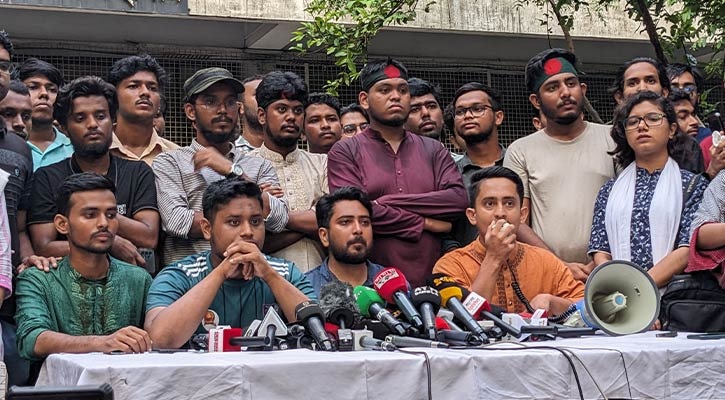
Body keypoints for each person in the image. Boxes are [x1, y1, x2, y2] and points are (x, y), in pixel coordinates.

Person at [327, 58, 467, 287]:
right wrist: (425, 223)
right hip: (371, 284)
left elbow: (458, 200)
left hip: (434, 281)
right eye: (384, 90)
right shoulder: (345, 151)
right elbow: (354, 212)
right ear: (364, 100)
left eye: (402, 90)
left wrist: (386, 202)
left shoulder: (433, 149)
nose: (396, 96)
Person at [144, 178, 315, 349]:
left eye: (256, 221)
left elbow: (318, 333)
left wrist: (269, 275)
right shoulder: (179, 275)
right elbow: (159, 340)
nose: (248, 232)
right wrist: (221, 273)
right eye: (234, 222)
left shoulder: (286, 272)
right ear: (207, 229)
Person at [15, 173, 152, 370]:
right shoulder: (39, 278)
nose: (104, 223)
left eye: (111, 215)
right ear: (62, 224)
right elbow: (32, 339)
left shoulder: (138, 279)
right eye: (90, 215)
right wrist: (103, 342)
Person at [153, 67, 288, 264]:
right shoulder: (169, 162)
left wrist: (232, 170)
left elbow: (279, 218)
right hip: (190, 281)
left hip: (250, 278)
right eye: (210, 102)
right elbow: (177, 221)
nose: (223, 110)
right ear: (190, 111)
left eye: (230, 102)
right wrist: (254, 212)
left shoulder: (259, 165)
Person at [504, 48, 616, 281]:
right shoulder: (520, 151)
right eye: (552, 87)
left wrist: (602, 258)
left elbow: (630, 206)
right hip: (546, 273)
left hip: (610, 268)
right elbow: (517, 219)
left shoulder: (614, 138)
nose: (565, 92)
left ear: (582, 89)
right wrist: (558, 264)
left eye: (571, 83)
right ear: (536, 100)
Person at [27, 76, 159, 268]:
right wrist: (111, 243)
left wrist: (92, 216)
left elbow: (148, 237)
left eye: (100, 116)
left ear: (112, 121)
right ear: (64, 128)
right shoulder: (47, 177)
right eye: (80, 118)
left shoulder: (138, 172)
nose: (92, 125)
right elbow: (44, 246)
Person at [588, 91, 708, 288]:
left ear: (672, 129)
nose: (642, 126)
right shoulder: (609, 190)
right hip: (617, 296)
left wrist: (639, 292)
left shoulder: (693, 186)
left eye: (653, 119)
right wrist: (619, 290)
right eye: (633, 122)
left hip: (673, 300)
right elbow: (600, 250)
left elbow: (687, 249)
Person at [433, 167, 584, 315]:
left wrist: (553, 303)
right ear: (472, 216)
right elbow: (463, 319)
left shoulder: (546, 261)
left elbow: (588, 306)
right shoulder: (451, 265)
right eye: (489, 204)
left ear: (523, 215)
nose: (500, 213)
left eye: (509, 203)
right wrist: (494, 257)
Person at [445, 82, 549, 251]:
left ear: (498, 117)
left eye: (477, 109)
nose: (468, 116)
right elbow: (447, 232)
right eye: (460, 112)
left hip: (529, 267)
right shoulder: (450, 173)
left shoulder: (522, 163)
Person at [248, 72, 328, 272]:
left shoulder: (323, 163)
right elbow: (253, 239)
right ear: (261, 115)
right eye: (281, 109)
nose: (291, 117)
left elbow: (335, 224)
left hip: (323, 284)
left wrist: (272, 213)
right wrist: (310, 224)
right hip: (263, 284)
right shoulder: (245, 166)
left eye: (298, 110)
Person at [610, 57, 704, 175]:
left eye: (650, 81)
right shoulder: (609, 143)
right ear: (619, 97)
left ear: (665, 92)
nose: (642, 88)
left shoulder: (688, 148)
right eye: (632, 83)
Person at [305, 187, 385, 296]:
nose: (358, 229)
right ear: (324, 236)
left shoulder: (390, 283)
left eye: (365, 222)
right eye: (345, 222)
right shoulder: (306, 289)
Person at [107, 54, 178, 166]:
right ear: (113, 95)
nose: (145, 92)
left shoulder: (177, 156)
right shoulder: (95, 153)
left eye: (152, 88)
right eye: (133, 86)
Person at [19, 58, 74, 170]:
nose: (44, 94)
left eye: (52, 89)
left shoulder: (75, 149)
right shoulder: (6, 146)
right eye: (33, 87)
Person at [405, 77, 462, 161]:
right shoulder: (392, 168)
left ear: (442, 116)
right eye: (415, 109)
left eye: (432, 106)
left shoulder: (462, 167)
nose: (425, 113)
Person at [667, 63, 711, 143]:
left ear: (698, 97)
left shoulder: (708, 140)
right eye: (674, 88)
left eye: (688, 88)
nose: (681, 92)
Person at [234, 74, 264, 153]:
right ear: (240, 107)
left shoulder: (292, 154)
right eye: (258, 94)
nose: (265, 99)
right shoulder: (231, 153)